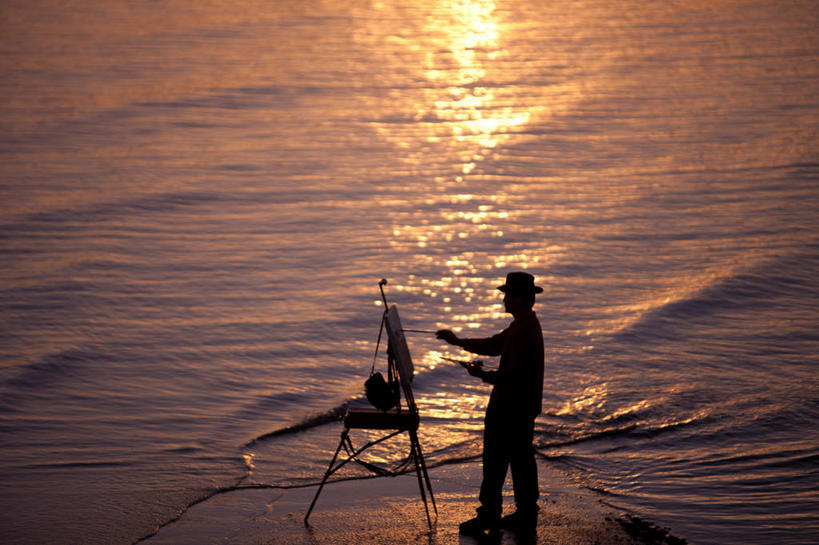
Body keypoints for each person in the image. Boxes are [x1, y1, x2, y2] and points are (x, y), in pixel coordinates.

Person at [436, 271, 544, 538]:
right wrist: (458, 342)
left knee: (495, 463)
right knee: (521, 462)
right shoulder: (525, 323)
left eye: (507, 294)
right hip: (522, 407)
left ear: (519, 298)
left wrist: (481, 374)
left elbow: (510, 378)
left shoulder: (522, 331)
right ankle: (525, 514)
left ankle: (489, 516)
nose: (503, 299)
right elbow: (496, 345)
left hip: (509, 409)